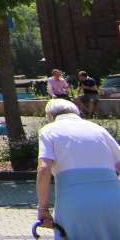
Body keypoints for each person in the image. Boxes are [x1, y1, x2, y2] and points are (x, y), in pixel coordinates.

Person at [36, 98, 120, 237]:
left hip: (74, 201)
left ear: (50, 116)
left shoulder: (49, 130)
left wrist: (43, 209)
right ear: (77, 112)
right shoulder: (98, 129)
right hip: (113, 200)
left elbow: (44, 169)